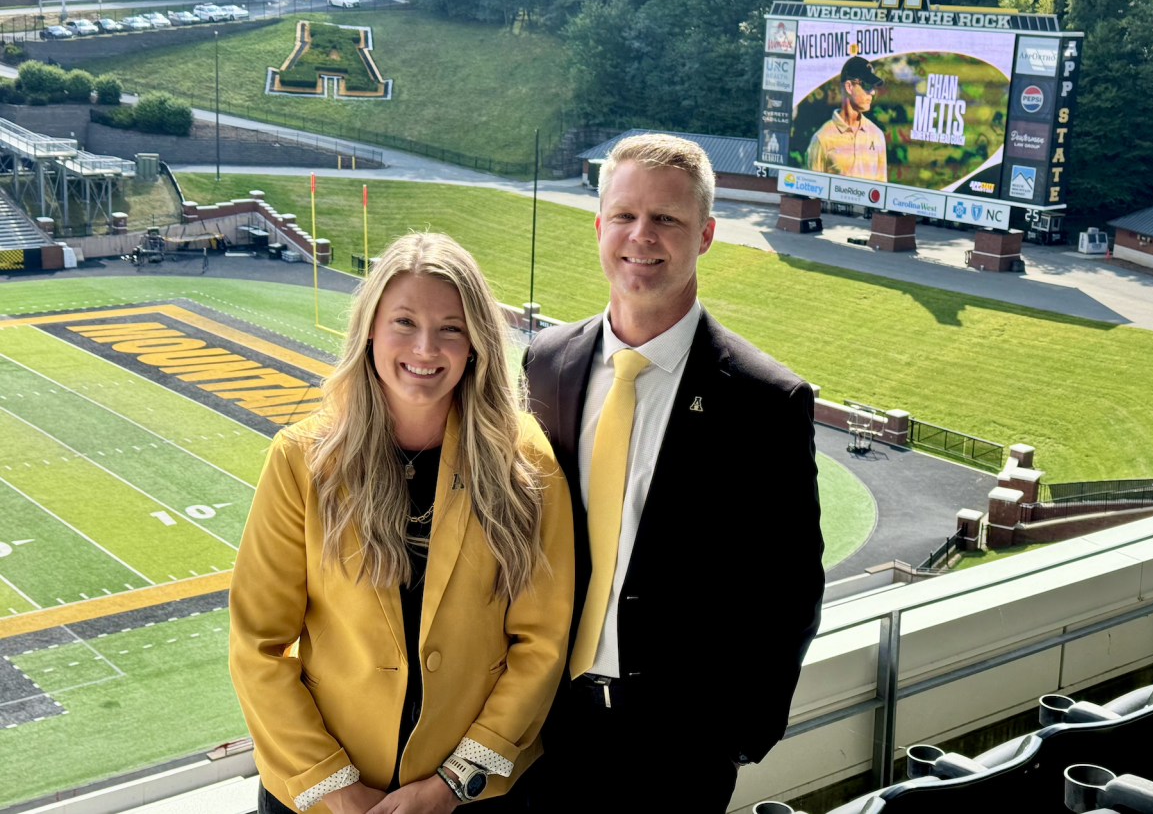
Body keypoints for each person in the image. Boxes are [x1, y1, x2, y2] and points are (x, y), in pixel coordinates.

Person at [522, 134, 825, 813]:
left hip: (675, 752)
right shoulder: (547, 362)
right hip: (539, 728)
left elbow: (790, 588)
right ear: (599, 226)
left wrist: (736, 737)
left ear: (706, 234)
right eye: (625, 216)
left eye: (667, 220)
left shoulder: (764, 400)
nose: (642, 236)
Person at [229, 233, 573, 814]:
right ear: (369, 330)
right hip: (322, 797)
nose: (426, 347)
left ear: (476, 345)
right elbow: (258, 644)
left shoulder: (526, 460)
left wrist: (451, 784)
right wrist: (337, 789)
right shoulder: (301, 459)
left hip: (473, 796)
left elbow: (541, 643)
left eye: (451, 328)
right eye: (404, 322)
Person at [805, 56, 888, 181]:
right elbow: (812, 193)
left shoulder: (877, 135)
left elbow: (881, 192)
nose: (872, 92)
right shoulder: (821, 139)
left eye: (873, 87)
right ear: (849, 87)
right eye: (867, 85)